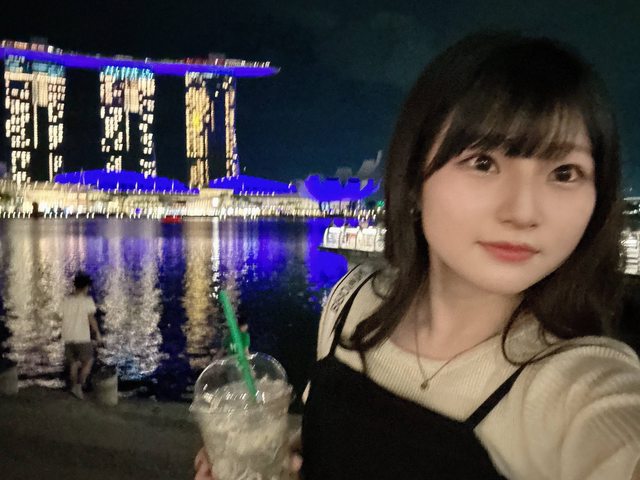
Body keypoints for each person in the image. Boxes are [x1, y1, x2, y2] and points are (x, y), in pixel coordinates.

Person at [195, 31, 640, 479]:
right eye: (483, 162)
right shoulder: (351, 303)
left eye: (564, 173)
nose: (523, 212)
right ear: (413, 180)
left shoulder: (581, 388)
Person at [60, 272, 102, 400]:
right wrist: (97, 333)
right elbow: (91, 319)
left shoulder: (65, 300)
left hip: (67, 336)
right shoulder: (87, 301)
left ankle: (73, 387)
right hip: (82, 336)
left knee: (73, 362)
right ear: (86, 287)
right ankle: (79, 385)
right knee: (89, 360)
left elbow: (58, 316)